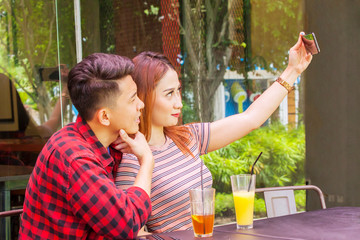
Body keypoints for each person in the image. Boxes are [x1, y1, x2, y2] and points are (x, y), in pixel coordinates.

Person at [114, 32, 312, 233]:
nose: (179, 103)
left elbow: (251, 119)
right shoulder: (132, 161)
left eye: (178, 90)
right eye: (169, 94)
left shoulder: (188, 137)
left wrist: (293, 70)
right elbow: (133, 231)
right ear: (143, 98)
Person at [19, 53, 154, 239]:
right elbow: (126, 224)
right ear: (105, 116)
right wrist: (146, 161)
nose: (141, 104)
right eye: (132, 99)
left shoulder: (105, 142)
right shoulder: (75, 158)